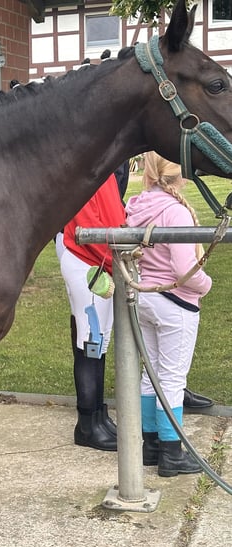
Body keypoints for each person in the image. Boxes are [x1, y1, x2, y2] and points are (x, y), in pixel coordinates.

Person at [125, 151, 211, 477]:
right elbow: (185, 268)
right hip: (176, 302)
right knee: (173, 378)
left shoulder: (138, 204)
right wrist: (206, 285)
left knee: (151, 375)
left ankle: (151, 445)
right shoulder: (176, 212)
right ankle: (172, 452)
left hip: (145, 297)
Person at [56, 173, 125, 451]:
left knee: (100, 342)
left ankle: (97, 414)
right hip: (88, 261)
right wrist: (117, 259)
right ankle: (87, 423)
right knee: (90, 343)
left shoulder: (103, 171)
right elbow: (86, 226)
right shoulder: (88, 172)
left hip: (100, 262)